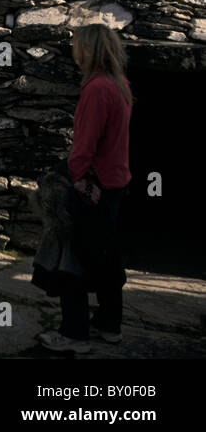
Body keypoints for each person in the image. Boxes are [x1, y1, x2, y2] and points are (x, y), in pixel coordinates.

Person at [35, 24, 132, 354]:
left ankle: (74, 334)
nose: (74, 51)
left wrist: (75, 181)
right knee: (105, 256)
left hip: (93, 185)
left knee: (71, 259)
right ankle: (109, 325)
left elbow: (84, 147)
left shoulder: (96, 89)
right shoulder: (120, 85)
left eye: (78, 46)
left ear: (88, 50)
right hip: (115, 183)